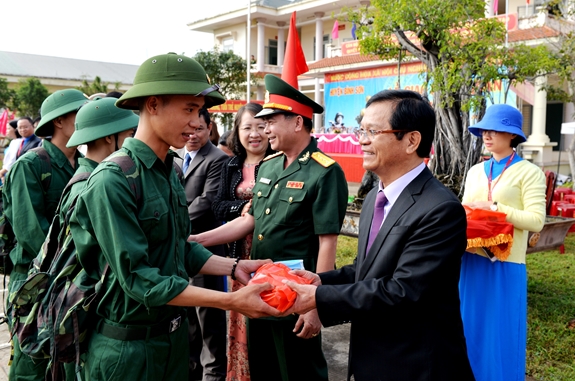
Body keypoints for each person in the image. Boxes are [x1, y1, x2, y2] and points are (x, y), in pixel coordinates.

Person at [68, 53, 279, 381]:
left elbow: (178, 247)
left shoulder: (167, 170)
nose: (198, 121)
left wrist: (235, 268)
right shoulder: (112, 180)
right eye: (189, 109)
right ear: (153, 105)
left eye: (199, 111)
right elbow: (140, 279)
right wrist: (232, 301)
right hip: (127, 354)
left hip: (172, 341)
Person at [283, 89, 475, 381]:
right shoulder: (376, 196)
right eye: (362, 129)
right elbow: (369, 268)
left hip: (416, 365)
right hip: (372, 357)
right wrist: (322, 280)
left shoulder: (440, 209)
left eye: (373, 131)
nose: (362, 139)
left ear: (411, 140)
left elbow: (404, 291)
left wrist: (319, 298)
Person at [192, 73, 348, 381]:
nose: (265, 129)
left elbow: (327, 242)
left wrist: (314, 304)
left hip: (295, 294)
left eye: (272, 121)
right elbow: (250, 221)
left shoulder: (325, 172)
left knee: (299, 368)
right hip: (260, 290)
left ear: (297, 123)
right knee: (263, 366)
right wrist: (197, 239)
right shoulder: (272, 166)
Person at [3, 89, 87, 381]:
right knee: (32, 364)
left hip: (69, 282)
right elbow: (30, 232)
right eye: (81, 114)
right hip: (35, 283)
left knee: (63, 362)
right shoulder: (31, 165)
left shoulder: (84, 165)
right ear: (61, 122)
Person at [460, 104, 546, 381]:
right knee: (469, 327)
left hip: (505, 264)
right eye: (485, 129)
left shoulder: (529, 172)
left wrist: (495, 207)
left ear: (512, 136)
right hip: (471, 260)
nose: (487, 134)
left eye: (496, 129)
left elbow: (536, 221)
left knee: (501, 333)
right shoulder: (474, 171)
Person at [211, 102, 274, 381]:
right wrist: (241, 209)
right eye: (247, 127)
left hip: (270, 250)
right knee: (242, 317)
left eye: (261, 126)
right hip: (239, 253)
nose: (255, 133)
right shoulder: (231, 165)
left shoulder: (278, 162)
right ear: (237, 131)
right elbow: (218, 206)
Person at [174, 107, 229, 381]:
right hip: (182, 249)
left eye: (199, 129)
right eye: (189, 129)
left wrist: (173, 224)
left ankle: (215, 374)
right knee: (189, 321)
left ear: (209, 129)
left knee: (210, 321)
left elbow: (206, 203)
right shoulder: (177, 158)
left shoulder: (217, 159)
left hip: (205, 249)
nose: (193, 135)